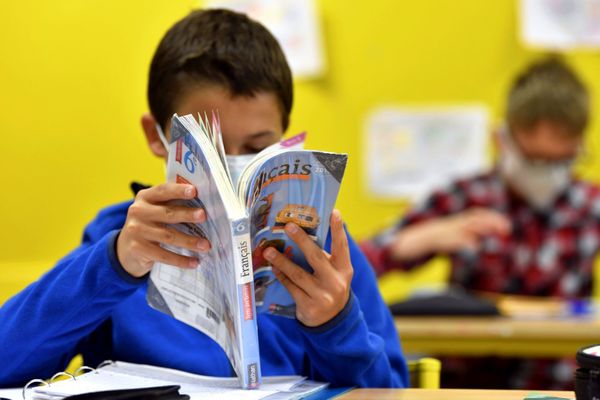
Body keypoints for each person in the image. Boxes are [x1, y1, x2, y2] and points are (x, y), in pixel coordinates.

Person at [0, 9, 408, 388]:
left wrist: (335, 325)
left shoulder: (325, 254)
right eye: (206, 146)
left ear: (284, 139)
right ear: (155, 136)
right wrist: (115, 262)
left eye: (256, 146)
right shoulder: (119, 241)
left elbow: (392, 392)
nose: (230, 166)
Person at [361, 57, 596, 389]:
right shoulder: (464, 198)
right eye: (535, 159)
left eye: (561, 161)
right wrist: (420, 239)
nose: (547, 173)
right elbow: (351, 268)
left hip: (559, 386)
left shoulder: (589, 207)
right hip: (469, 386)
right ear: (503, 140)